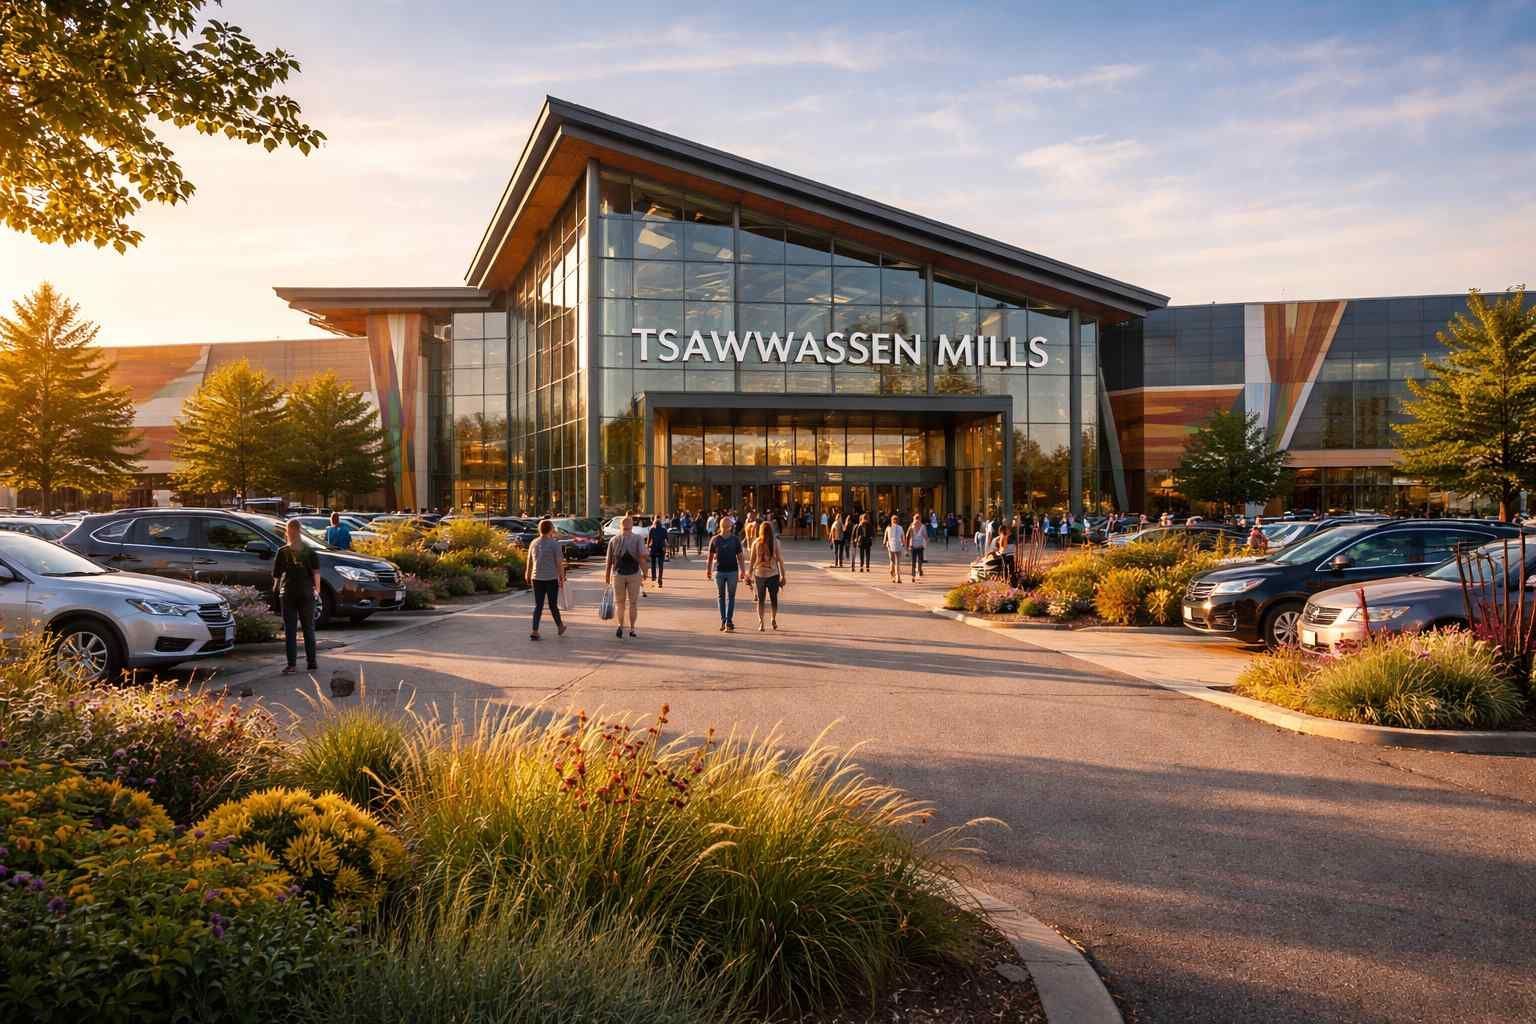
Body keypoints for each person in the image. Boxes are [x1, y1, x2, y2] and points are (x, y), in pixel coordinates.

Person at [273, 518, 320, 676]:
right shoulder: (309, 551)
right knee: (308, 628)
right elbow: (316, 573)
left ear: (287, 531)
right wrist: (317, 591)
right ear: (300, 530)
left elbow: (276, 576)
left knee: (290, 630)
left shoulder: (283, 551)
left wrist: (276, 590)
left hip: (288, 593)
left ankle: (291, 665)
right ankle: (311, 663)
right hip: (306, 592)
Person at [604, 515, 648, 639]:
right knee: (633, 603)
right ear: (632, 526)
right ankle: (632, 629)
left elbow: (609, 562)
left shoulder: (614, 540)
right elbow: (642, 557)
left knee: (620, 603)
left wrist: (607, 578)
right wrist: (645, 572)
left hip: (618, 574)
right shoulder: (638, 539)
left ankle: (620, 625)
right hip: (634, 574)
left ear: (620, 526)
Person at [525, 518, 567, 640]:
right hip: (551, 578)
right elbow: (559, 563)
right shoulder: (555, 544)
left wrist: (527, 573)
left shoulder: (534, 542)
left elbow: (529, 560)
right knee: (553, 605)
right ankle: (560, 626)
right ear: (551, 529)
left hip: (536, 577)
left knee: (538, 605)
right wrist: (562, 576)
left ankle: (535, 630)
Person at [748, 519, 786, 631]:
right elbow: (780, 560)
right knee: (774, 599)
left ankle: (761, 623)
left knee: (761, 599)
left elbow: (752, 560)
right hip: (773, 574)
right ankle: (773, 618)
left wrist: (749, 574)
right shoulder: (776, 542)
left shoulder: (756, 542)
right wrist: (783, 575)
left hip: (759, 574)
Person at [706, 516, 743, 631]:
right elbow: (740, 557)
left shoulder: (715, 539)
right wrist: (743, 570)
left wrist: (708, 570)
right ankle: (728, 621)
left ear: (720, 526)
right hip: (731, 571)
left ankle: (724, 620)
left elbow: (710, 557)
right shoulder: (735, 539)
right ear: (730, 527)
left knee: (721, 597)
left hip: (720, 571)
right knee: (730, 597)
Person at [884, 511, 907, 583]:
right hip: (898, 546)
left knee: (892, 561)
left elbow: (885, 538)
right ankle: (898, 578)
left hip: (890, 547)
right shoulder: (900, 528)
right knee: (897, 563)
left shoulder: (888, 528)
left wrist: (885, 543)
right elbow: (903, 538)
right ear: (898, 521)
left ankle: (893, 575)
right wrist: (904, 545)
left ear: (891, 520)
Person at [647, 516, 669, 587]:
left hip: (653, 548)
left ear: (654, 523)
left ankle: (654, 578)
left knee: (653, 564)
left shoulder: (652, 529)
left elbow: (649, 540)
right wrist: (667, 549)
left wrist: (647, 547)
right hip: (661, 549)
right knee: (660, 565)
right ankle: (660, 579)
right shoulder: (664, 530)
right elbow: (666, 540)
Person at [907, 512, 928, 580]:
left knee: (920, 560)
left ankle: (919, 570)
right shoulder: (911, 526)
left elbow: (925, 536)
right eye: (916, 518)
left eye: (918, 519)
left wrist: (926, 542)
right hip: (913, 546)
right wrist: (908, 546)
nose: (917, 520)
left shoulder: (923, 526)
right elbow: (907, 535)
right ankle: (914, 573)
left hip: (920, 546)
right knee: (914, 560)